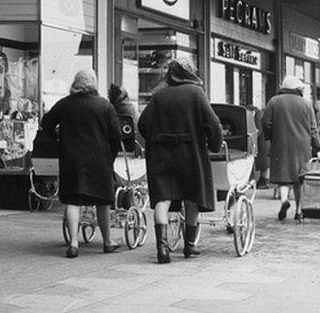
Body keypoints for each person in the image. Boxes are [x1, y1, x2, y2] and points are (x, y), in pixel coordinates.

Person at [137, 58, 222, 264]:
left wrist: (156, 139)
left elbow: (143, 124)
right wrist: (214, 145)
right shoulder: (196, 93)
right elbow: (213, 123)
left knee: (162, 200)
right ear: (189, 72)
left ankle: (162, 248)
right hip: (189, 154)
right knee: (191, 197)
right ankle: (190, 246)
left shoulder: (159, 96)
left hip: (162, 155)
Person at [40, 69, 121, 258]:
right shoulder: (105, 106)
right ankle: (108, 242)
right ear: (94, 83)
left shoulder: (64, 105)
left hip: (72, 159)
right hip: (99, 160)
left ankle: (74, 243)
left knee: (73, 201)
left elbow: (47, 125)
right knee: (102, 202)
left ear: (75, 83)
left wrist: (58, 138)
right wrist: (111, 156)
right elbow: (115, 135)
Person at [263, 76, 320, 222]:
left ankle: (284, 200)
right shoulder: (306, 104)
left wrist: (271, 136)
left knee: (283, 176)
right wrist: (319, 148)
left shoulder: (274, 101)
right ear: (297, 88)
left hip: (281, 142)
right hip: (302, 145)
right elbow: (313, 128)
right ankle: (298, 211)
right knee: (299, 178)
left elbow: (266, 123)